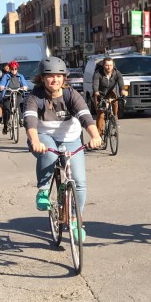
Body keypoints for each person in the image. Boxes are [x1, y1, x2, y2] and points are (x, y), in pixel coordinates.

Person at [23, 57, 102, 241]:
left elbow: (85, 117)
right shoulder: (35, 97)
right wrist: (35, 141)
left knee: (80, 182)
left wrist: (95, 136)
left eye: (59, 76)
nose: (55, 80)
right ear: (42, 78)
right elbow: (30, 120)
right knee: (48, 151)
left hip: (71, 138)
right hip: (44, 137)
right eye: (50, 76)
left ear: (64, 78)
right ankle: (43, 190)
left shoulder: (71, 95)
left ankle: (75, 220)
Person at [92, 56, 125, 134]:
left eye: (110, 65)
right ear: (103, 65)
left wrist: (123, 91)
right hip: (100, 93)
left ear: (113, 65)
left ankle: (115, 118)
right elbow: (95, 85)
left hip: (110, 92)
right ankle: (99, 135)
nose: (109, 67)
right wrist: (96, 92)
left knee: (115, 99)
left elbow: (121, 84)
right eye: (107, 65)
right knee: (101, 115)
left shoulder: (117, 73)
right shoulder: (98, 73)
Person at [0, 61, 31, 134]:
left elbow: (24, 83)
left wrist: (25, 87)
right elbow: (2, 83)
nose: (14, 70)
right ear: (10, 69)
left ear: (17, 69)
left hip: (17, 93)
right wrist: (1, 87)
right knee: (7, 110)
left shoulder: (20, 76)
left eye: (15, 69)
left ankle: (20, 120)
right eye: (12, 69)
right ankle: (5, 126)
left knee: (17, 106)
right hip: (8, 94)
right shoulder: (6, 76)